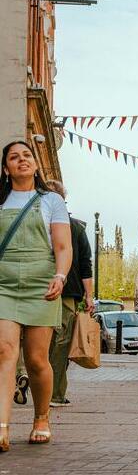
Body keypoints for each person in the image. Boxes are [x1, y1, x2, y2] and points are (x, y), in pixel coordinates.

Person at [0, 141, 72, 450]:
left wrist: (60, 275)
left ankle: (41, 417)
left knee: (36, 360)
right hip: (3, 285)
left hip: (41, 286)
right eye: (14, 157)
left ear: (35, 164)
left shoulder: (51, 200)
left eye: (26, 155)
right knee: (4, 352)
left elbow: (62, 246)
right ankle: (1, 427)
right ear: (6, 168)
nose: (21, 160)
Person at [45, 180, 94, 407]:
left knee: (43, 340)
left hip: (44, 289)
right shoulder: (75, 227)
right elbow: (86, 265)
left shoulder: (74, 227)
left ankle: (33, 380)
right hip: (66, 293)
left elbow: (85, 264)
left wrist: (89, 296)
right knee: (61, 342)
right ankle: (53, 393)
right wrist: (88, 296)